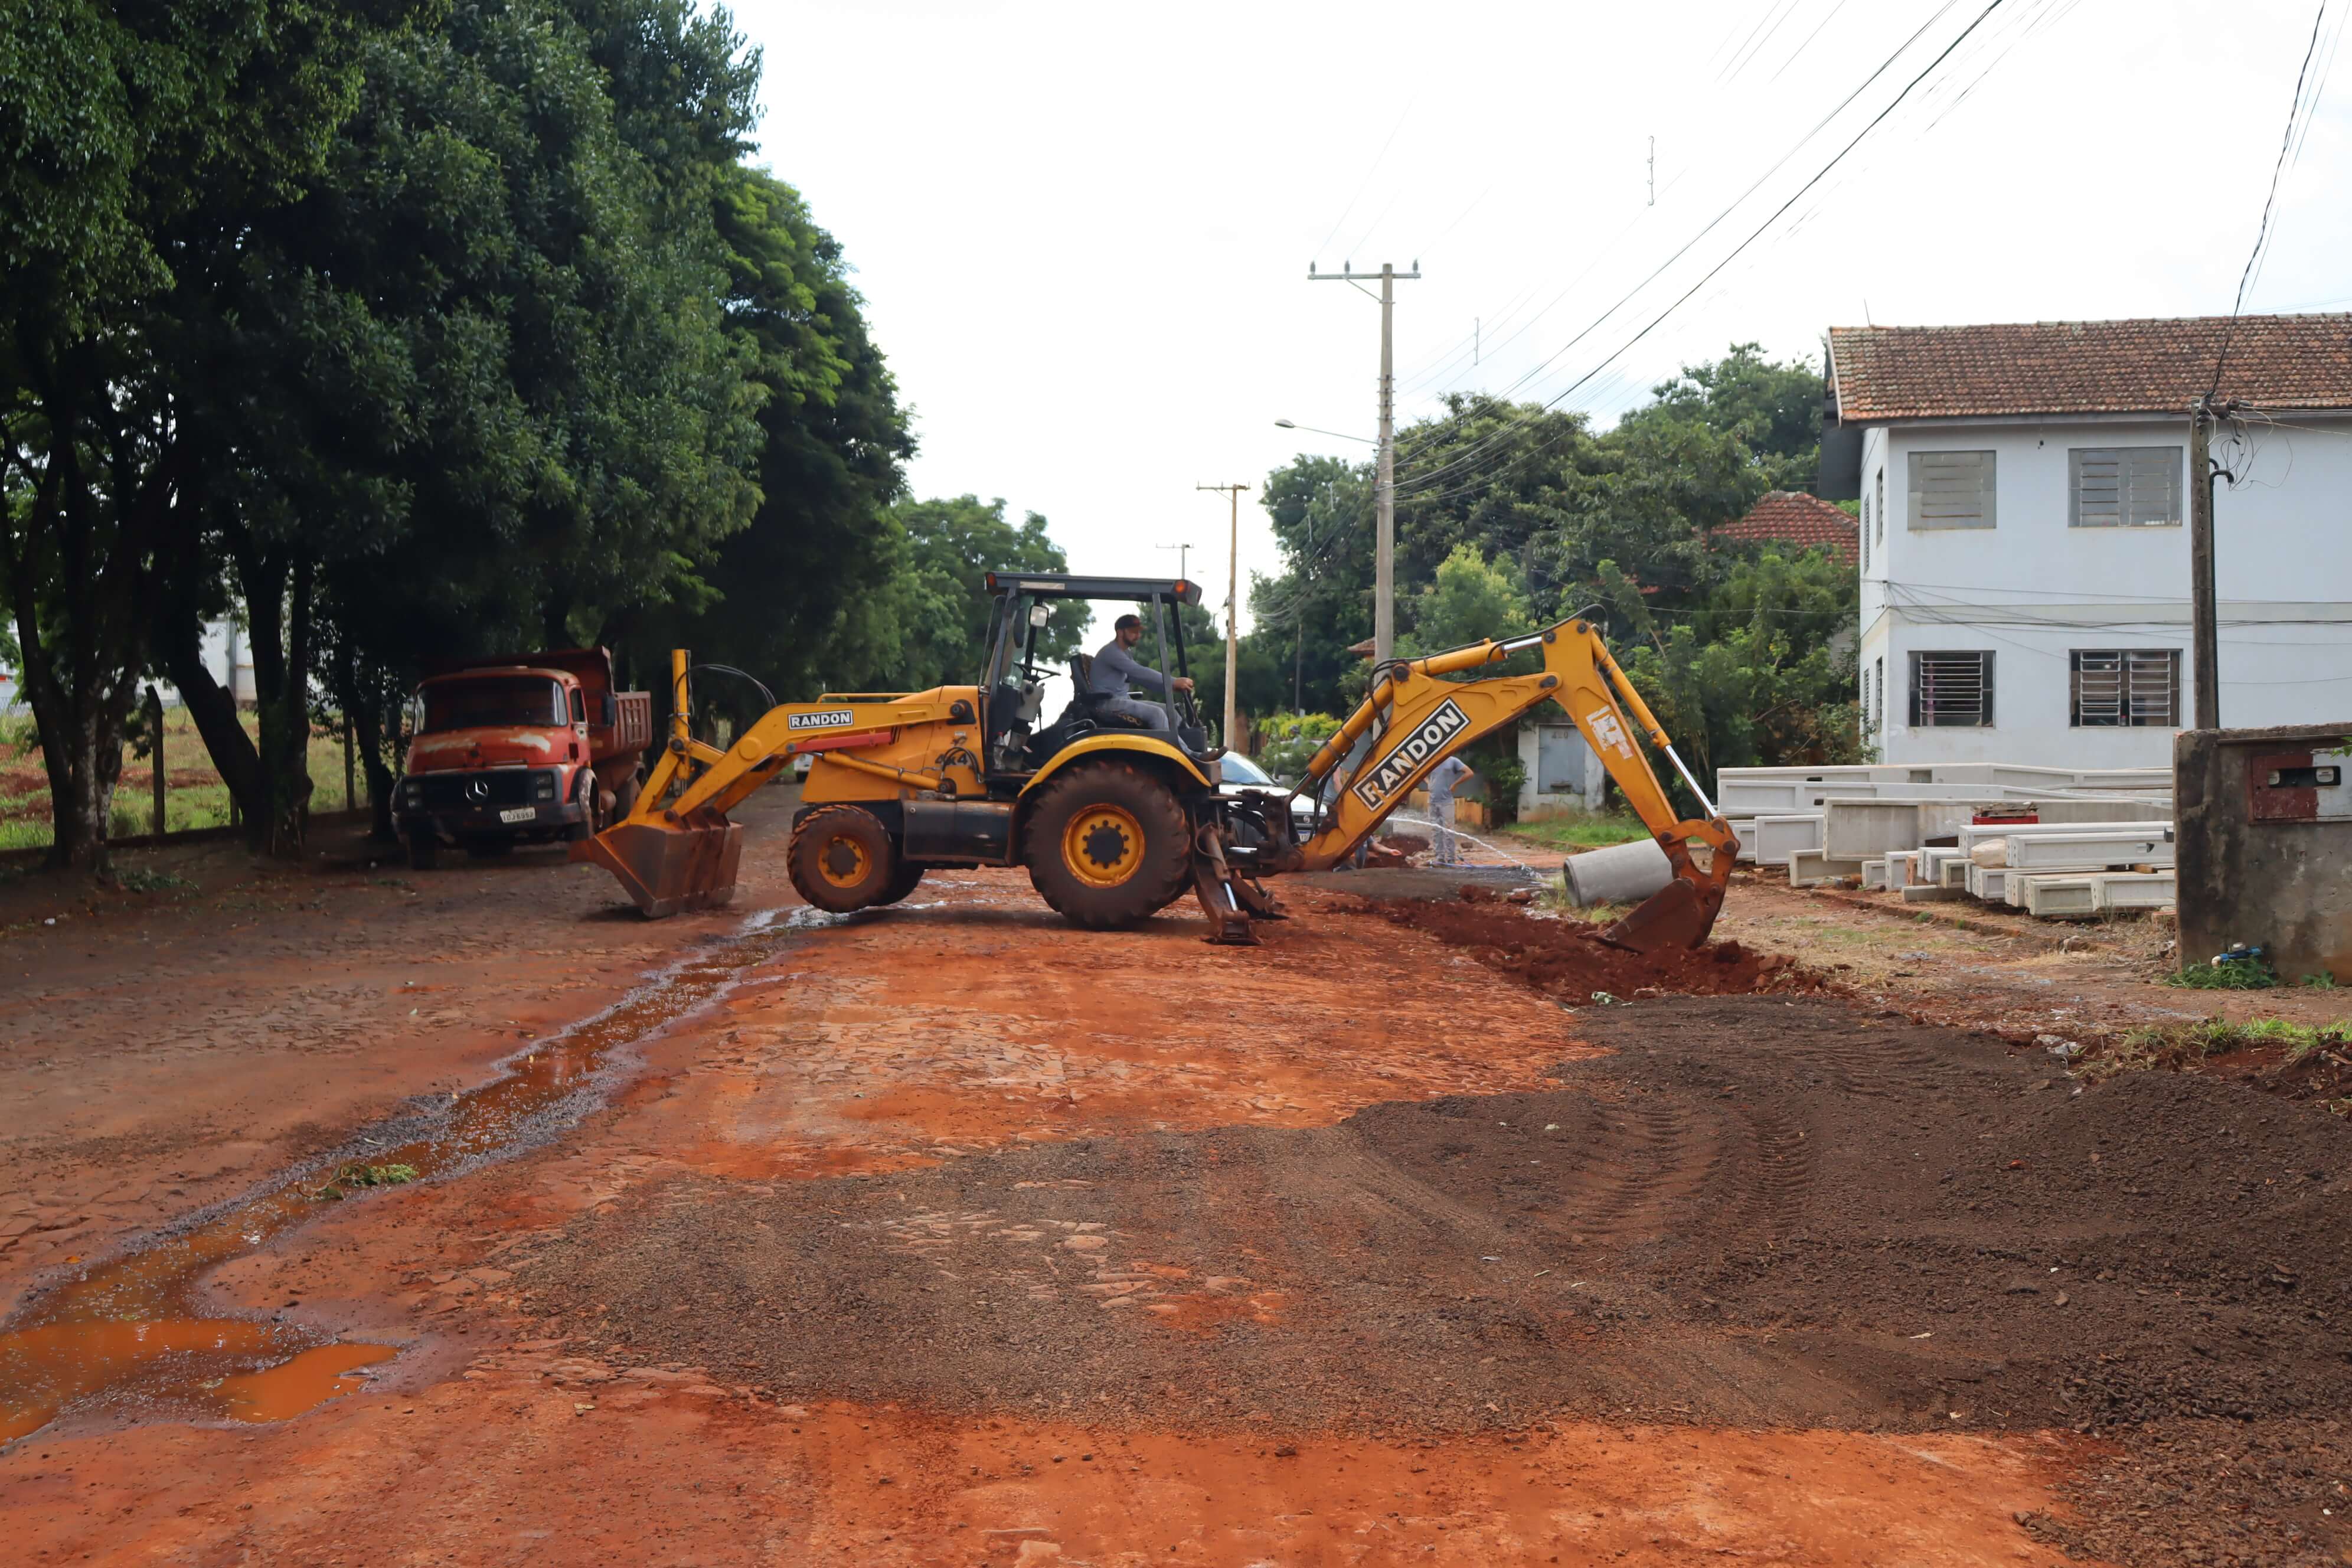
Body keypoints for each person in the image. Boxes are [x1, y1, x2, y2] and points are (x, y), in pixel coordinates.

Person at [1089, 613, 1193, 731]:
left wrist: (1169, 687)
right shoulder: (1111, 652)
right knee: (1157, 714)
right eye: (1134, 632)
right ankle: (1175, 749)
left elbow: (1138, 678)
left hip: (1122, 700)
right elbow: (1139, 671)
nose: (1138, 636)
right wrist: (1173, 681)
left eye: (1139, 632)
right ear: (1120, 632)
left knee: (1171, 711)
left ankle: (1189, 747)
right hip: (1107, 703)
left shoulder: (1125, 653)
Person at [1426, 753, 1474, 867]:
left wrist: (1455, 784)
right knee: (1436, 830)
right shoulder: (1431, 760)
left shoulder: (1452, 761)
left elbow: (1469, 773)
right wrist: (1429, 783)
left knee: (1449, 831)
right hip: (1432, 801)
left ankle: (1451, 859)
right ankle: (1439, 858)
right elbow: (1419, 772)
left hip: (1446, 801)